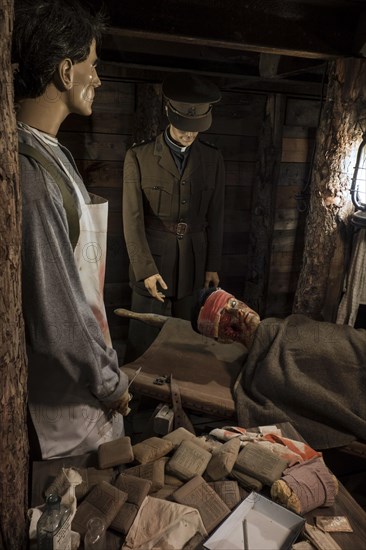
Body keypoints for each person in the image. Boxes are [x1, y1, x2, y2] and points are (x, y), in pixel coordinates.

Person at [13, 0, 130, 459]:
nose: (98, 79)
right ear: (65, 72)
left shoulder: (53, 153)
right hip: (65, 399)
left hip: (85, 375)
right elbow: (56, 318)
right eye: (92, 66)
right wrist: (110, 382)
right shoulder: (33, 176)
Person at [122, 72, 225, 361]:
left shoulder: (212, 158)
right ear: (169, 115)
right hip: (153, 258)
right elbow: (132, 219)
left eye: (196, 128)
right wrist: (145, 269)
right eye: (183, 127)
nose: (189, 134)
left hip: (194, 260)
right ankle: (136, 398)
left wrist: (212, 264)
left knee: (189, 339)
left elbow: (216, 215)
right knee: (142, 338)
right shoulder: (138, 157)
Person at [192, 287, 366, 450]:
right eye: (224, 316)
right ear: (222, 338)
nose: (238, 312)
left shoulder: (286, 327)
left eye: (234, 303)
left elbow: (344, 342)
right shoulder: (261, 372)